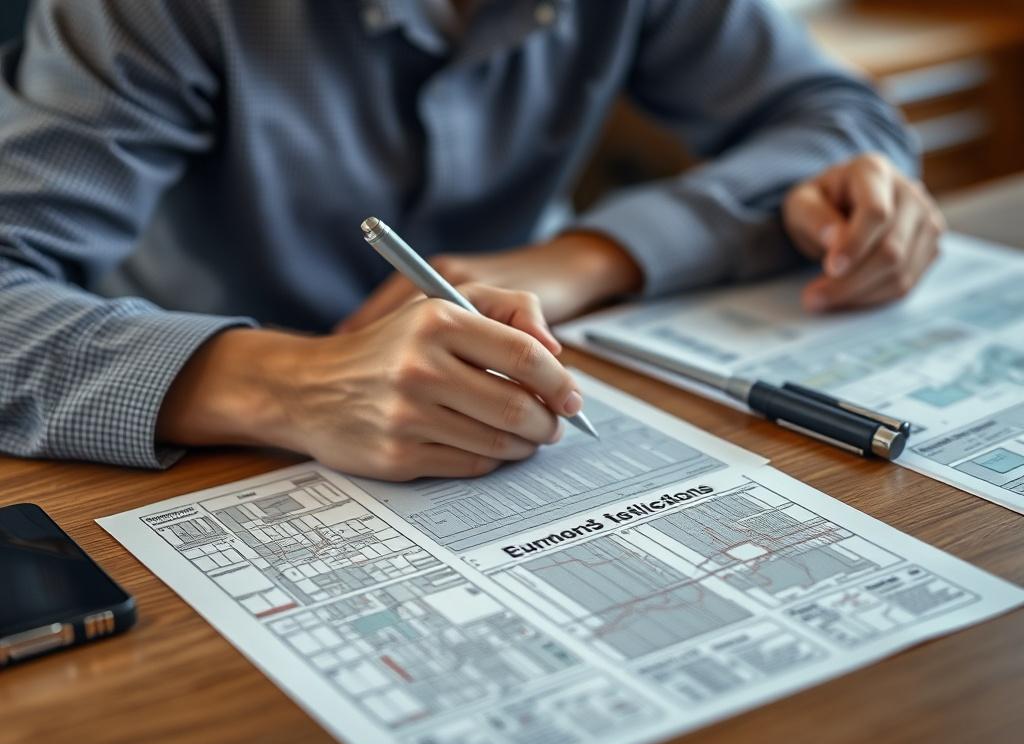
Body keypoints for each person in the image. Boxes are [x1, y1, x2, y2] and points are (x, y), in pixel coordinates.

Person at [0, 0, 944, 480]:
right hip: (192, 455)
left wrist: (584, 260)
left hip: (510, 387)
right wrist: (290, 383)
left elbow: (836, 117)